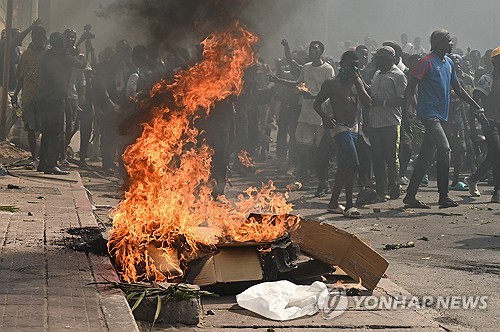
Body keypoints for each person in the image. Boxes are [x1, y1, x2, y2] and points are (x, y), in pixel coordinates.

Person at [402, 29, 486, 209]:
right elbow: (410, 88)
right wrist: (406, 115)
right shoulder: (426, 61)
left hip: (441, 116)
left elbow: (458, 88)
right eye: (448, 40)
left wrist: (475, 105)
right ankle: (443, 195)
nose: (452, 43)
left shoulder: (448, 63)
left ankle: (410, 196)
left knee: (425, 157)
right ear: (438, 43)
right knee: (444, 148)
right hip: (429, 114)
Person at [270, 40, 335, 189]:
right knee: (303, 147)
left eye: (315, 49)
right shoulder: (306, 68)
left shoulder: (328, 69)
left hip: (321, 114)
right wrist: (278, 80)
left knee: (321, 149)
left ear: (321, 52)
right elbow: (298, 84)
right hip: (306, 113)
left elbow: (329, 92)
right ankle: (304, 177)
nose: (312, 51)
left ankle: (322, 181)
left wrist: (312, 96)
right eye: (311, 48)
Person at [313, 51, 371, 218]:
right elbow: (317, 104)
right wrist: (325, 116)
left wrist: (358, 83)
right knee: (352, 163)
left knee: (344, 166)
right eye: (349, 65)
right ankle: (349, 205)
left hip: (354, 127)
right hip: (338, 127)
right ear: (341, 64)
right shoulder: (331, 83)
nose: (353, 68)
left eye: (355, 65)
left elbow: (368, 103)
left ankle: (333, 203)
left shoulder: (358, 82)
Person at [36, 32, 86, 175]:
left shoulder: (47, 55)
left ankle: (42, 163)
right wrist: (80, 54)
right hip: (56, 99)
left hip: (44, 97)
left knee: (46, 131)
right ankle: (51, 164)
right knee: (56, 132)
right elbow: (81, 64)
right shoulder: (64, 56)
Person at [367, 46, 407, 201]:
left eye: (379, 58)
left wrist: (382, 102)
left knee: (391, 157)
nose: (376, 61)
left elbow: (402, 99)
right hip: (375, 123)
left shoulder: (398, 76)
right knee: (377, 158)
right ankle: (381, 190)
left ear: (388, 60)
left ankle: (394, 186)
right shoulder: (377, 74)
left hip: (390, 122)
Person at [465, 46, 500, 203]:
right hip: (490, 122)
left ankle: (473, 179)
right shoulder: (487, 79)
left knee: (493, 155)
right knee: (498, 152)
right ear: (495, 62)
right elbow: (474, 100)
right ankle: (497, 192)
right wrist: (474, 123)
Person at [12, 25, 47, 167]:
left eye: (42, 37)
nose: (41, 40)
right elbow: (20, 77)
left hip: (44, 98)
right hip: (28, 97)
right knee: (31, 128)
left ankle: (43, 157)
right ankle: (34, 157)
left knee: (43, 128)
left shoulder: (48, 54)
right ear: (33, 37)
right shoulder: (25, 55)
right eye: (38, 37)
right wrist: (15, 93)